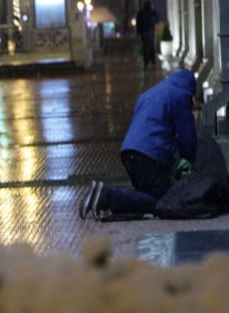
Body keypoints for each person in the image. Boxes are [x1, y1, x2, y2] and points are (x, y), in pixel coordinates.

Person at [79, 69, 197, 220]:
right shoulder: (180, 95)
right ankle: (106, 196)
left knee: (147, 195)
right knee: (162, 201)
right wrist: (189, 162)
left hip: (129, 152)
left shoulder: (148, 94)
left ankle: (106, 200)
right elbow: (187, 136)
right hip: (149, 155)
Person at [136, 1, 159, 67]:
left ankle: (146, 60)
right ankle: (152, 59)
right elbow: (157, 20)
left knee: (145, 46)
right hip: (150, 30)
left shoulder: (141, 13)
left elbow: (138, 23)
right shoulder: (152, 12)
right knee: (151, 45)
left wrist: (138, 32)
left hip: (144, 31)